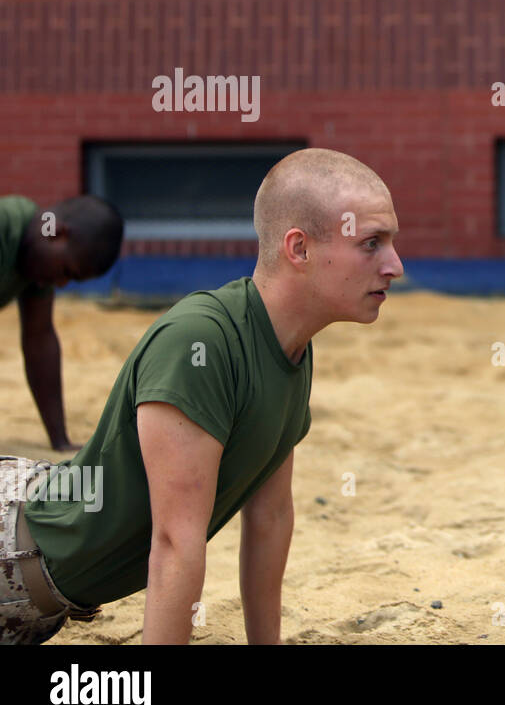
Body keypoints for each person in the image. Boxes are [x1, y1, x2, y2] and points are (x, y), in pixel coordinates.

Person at [0, 148, 403, 644]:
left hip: (40, 590)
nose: (395, 265)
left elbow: (270, 516)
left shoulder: (292, 349)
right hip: (12, 552)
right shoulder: (201, 342)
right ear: (298, 249)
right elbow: (174, 544)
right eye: (371, 244)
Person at [0, 194, 123, 451]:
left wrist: (60, 440)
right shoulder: (6, 226)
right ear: (56, 232)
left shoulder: (34, 259)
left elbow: (39, 339)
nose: (61, 283)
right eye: (67, 271)